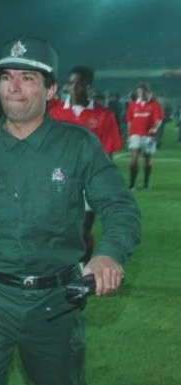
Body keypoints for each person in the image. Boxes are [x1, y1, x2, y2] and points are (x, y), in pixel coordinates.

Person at [0, 36, 141, 385]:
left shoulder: (78, 144)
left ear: (51, 89)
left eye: (28, 78)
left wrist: (109, 254)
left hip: (54, 301)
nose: (14, 87)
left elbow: (120, 206)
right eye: (7, 77)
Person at [49, 65, 123, 260]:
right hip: (60, 181)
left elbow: (108, 153)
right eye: (70, 83)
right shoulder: (54, 113)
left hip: (89, 180)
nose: (73, 87)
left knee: (84, 231)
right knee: (59, 231)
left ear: (89, 86)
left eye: (79, 83)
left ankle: (84, 268)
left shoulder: (104, 115)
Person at [125, 83, 164, 190]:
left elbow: (159, 119)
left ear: (148, 92)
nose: (141, 94)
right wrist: (128, 135)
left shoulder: (155, 104)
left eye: (143, 92)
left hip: (149, 136)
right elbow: (129, 121)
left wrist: (155, 128)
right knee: (134, 159)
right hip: (135, 135)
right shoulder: (133, 105)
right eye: (139, 92)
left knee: (147, 160)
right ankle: (132, 184)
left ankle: (146, 183)